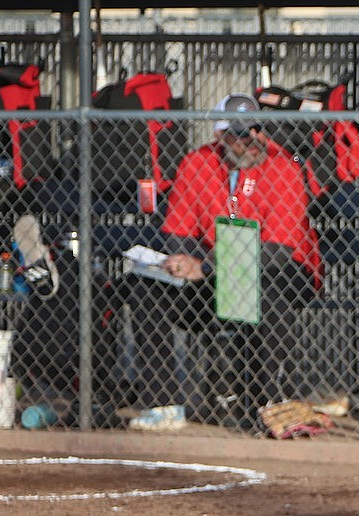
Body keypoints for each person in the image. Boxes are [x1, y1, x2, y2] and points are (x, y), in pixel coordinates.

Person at [127, 93, 318, 431]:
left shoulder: (283, 165)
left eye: (258, 130)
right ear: (221, 136)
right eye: (243, 134)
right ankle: (165, 404)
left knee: (270, 285)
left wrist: (208, 266)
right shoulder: (198, 163)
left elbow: (277, 249)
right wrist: (184, 262)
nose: (254, 140)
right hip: (213, 276)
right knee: (146, 285)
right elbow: (179, 232)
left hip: (276, 273)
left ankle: (272, 403)